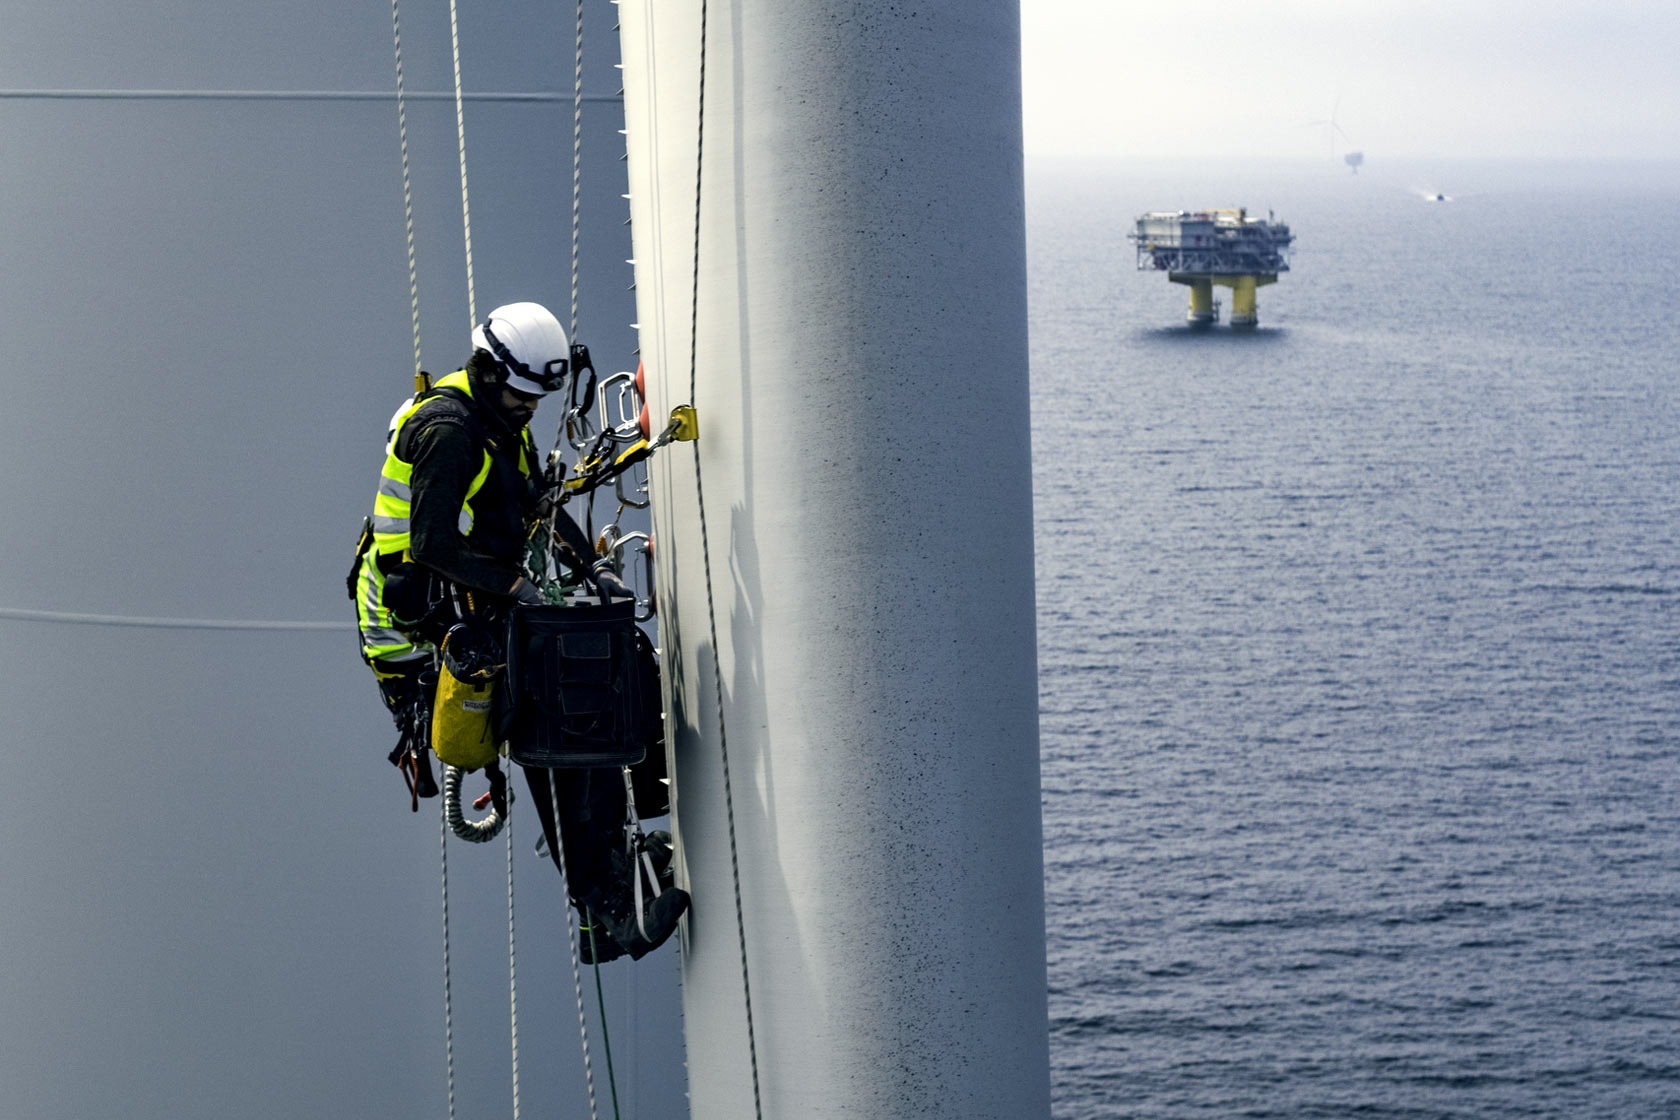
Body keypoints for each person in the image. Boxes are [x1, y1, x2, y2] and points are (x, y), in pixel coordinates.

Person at [352, 300, 688, 961]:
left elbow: (534, 504)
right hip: (419, 634)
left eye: (538, 397)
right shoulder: (450, 433)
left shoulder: (501, 418)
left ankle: (633, 830)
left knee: (614, 657)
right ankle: (606, 909)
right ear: (488, 369)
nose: (531, 408)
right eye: (522, 395)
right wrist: (517, 588)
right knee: (548, 715)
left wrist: (593, 568)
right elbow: (431, 546)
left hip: (461, 597)